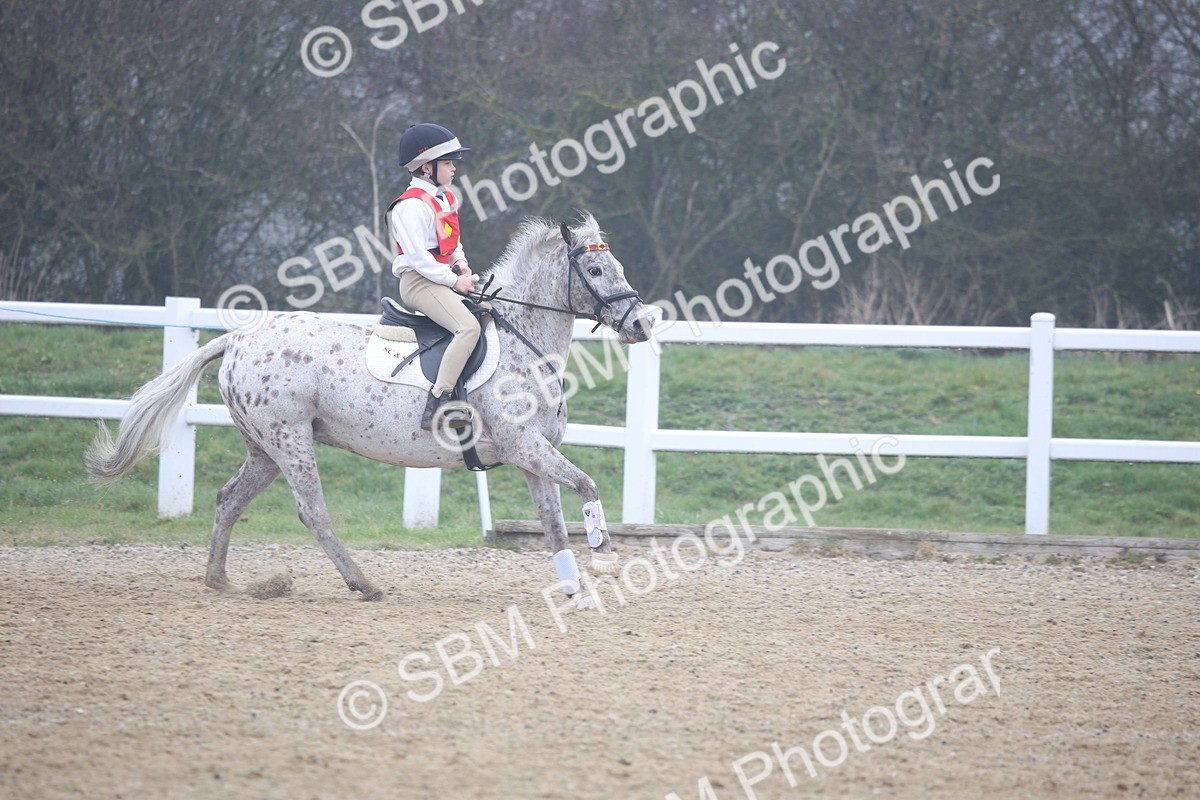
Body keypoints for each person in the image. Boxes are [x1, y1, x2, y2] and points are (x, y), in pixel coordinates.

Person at [388, 123, 480, 431]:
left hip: (440, 278)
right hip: (418, 283)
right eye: (449, 162)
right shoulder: (410, 206)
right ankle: (439, 401)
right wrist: (455, 282)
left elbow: (452, 242)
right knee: (468, 328)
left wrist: (461, 264)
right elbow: (418, 258)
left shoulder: (444, 199)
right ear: (427, 167)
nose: (454, 169)